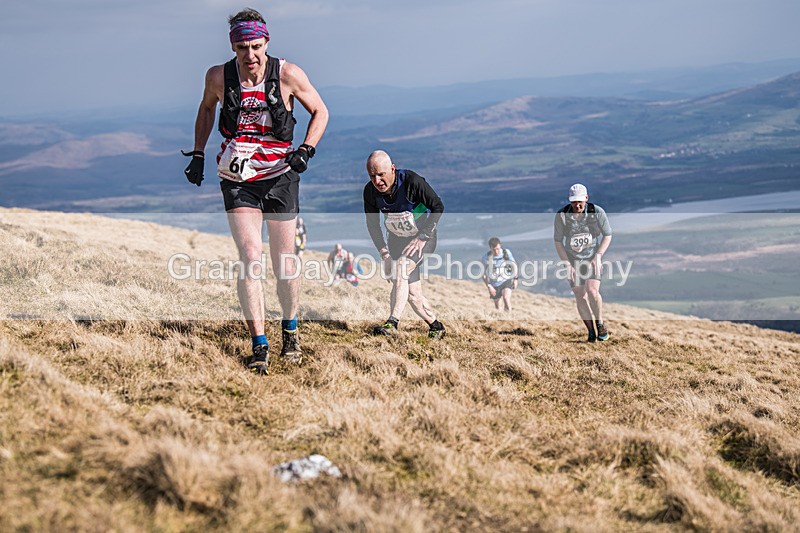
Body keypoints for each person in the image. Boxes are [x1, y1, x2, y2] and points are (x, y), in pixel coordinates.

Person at [182, 8, 328, 375]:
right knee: (249, 255)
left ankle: (290, 329)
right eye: (243, 47)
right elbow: (205, 109)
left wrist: (306, 150)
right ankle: (259, 343)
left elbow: (321, 111)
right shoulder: (219, 76)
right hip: (237, 176)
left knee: (284, 261)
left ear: (267, 43)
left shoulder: (288, 74)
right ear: (233, 46)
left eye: (257, 46)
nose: (251, 55)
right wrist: (198, 153)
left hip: (281, 174)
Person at [363, 150, 446, 339]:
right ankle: (436, 326)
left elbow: (438, 206)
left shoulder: (412, 182)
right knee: (412, 294)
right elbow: (372, 225)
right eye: (372, 176)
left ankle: (392, 323)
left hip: (422, 239)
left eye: (381, 175)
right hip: (396, 241)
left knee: (401, 268)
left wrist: (423, 236)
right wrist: (384, 254)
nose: (377, 181)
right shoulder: (370, 191)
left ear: (392, 169)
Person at [553, 183, 613, 342]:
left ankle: (600, 322)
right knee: (580, 295)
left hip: (592, 257)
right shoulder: (562, 216)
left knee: (592, 291)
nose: (577, 205)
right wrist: (566, 263)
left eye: (580, 201)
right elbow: (558, 241)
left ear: (586, 198)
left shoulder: (596, 212)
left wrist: (598, 255)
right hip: (572, 259)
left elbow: (608, 235)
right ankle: (591, 331)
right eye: (573, 201)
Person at [482, 237, 518, 311]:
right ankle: (502, 320)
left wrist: (515, 279)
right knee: (498, 308)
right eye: (494, 249)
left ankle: (509, 319)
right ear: (490, 248)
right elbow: (483, 275)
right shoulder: (486, 258)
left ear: (500, 246)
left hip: (506, 280)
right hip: (494, 284)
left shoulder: (506, 252)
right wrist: (489, 286)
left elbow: (514, 265)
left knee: (506, 298)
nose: (496, 251)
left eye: (498, 248)